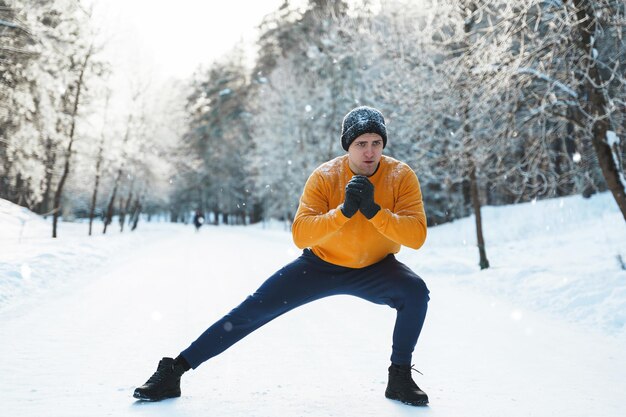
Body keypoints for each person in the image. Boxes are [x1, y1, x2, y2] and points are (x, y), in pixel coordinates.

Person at [133, 106, 431, 406]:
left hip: (376, 268)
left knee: (415, 291)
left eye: (376, 143)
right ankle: (176, 370)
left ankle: (399, 377)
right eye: (361, 144)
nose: (369, 152)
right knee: (252, 310)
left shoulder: (400, 176)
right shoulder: (325, 177)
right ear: (348, 146)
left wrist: (373, 212)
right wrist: (342, 213)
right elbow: (301, 233)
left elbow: (416, 236)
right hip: (320, 265)